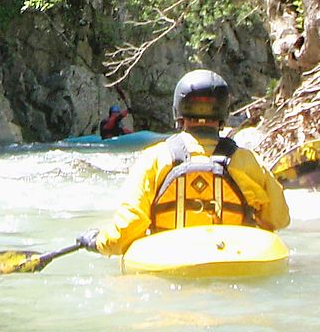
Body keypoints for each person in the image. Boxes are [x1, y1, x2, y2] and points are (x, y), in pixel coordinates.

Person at [77, 69, 288, 256]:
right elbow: (279, 218)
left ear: (178, 110)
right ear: (223, 111)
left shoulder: (155, 158)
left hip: (171, 260)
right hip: (233, 257)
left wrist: (98, 242)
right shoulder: (247, 160)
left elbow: (129, 226)